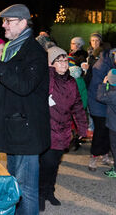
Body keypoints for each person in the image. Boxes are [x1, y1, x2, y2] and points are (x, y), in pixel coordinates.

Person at [0, 4, 50, 215]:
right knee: (14, 184)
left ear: (23, 22)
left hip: (27, 130)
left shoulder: (34, 51)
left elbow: (25, 85)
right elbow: (9, 81)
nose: (3, 25)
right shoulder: (12, 47)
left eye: (8, 21)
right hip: (14, 126)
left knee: (26, 189)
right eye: (3, 21)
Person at [39, 47, 87, 211]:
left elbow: (78, 106)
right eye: (59, 60)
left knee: (54, 165)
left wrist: (82, 128)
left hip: (64, 130)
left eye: (65, 60)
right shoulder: (46, 79)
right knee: (46, 163)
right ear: (51, 64)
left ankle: (49, 192)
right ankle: (40, 194)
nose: (63, 64)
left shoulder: (71, 82)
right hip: (47, 130)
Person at [87, 45, 116, 171]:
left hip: (112, 101)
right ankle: (94, 156)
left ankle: (105, 155)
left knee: (110, 130)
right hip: (98, 102)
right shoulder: (101, 65)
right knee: (100, 130)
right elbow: (96, 87)